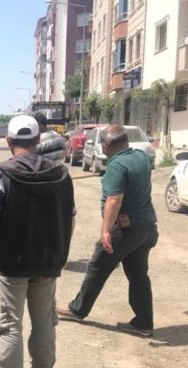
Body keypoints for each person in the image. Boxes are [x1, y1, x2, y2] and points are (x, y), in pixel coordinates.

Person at [0, 114, 75, 368]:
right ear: (37, 140)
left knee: (9, 324)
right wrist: (61, 255)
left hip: (11, 262)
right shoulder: (61, 174)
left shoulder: (2, 173)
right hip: (48, 260)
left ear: (8, 141)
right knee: (44, 320)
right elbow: (71, 218)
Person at [57, 124, 159, 337]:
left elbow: (114, 199)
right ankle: (143, 323)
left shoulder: (117, 166)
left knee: (97, 266)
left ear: (104, 145)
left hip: (125, 228)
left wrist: (105, 231)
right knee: (138, 274)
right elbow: (133, 177)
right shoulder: (141, 157)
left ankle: (78, 309)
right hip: (147, 228)